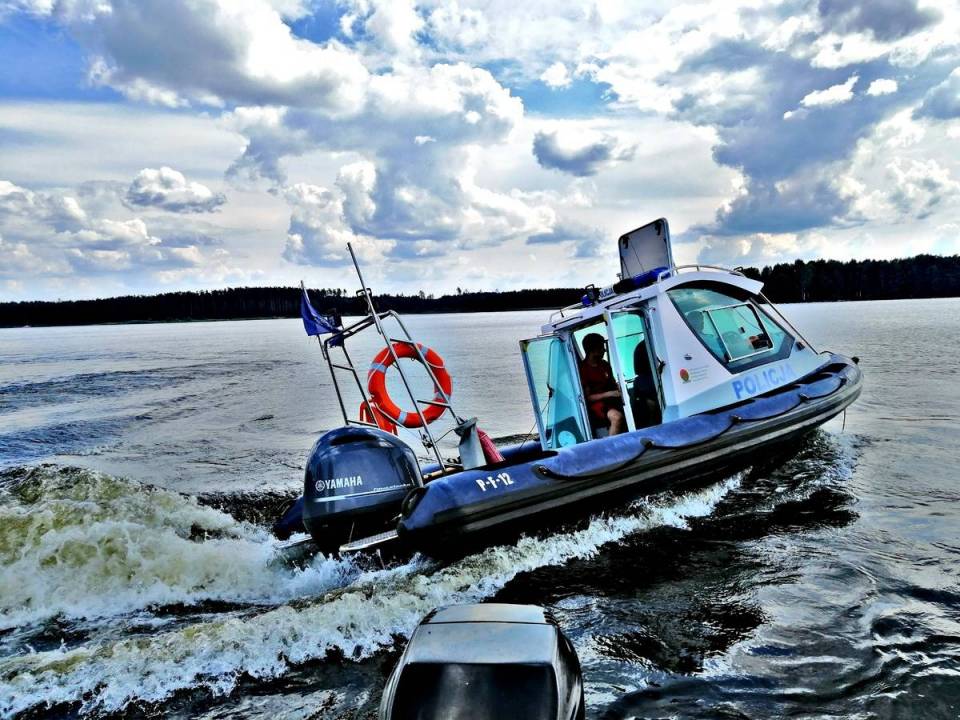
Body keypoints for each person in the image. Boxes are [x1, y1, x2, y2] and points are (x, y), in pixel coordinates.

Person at [579, 333, 626, 436]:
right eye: (601, 347)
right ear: (593, 350)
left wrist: (619, 387)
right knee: (617, 417)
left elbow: (612, 382)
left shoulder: (605, 365)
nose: (604, 350)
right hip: (597, 405)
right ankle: (611, 445)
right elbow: (588, 398)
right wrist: (610, 394)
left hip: (612, 401)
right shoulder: (583, 369)